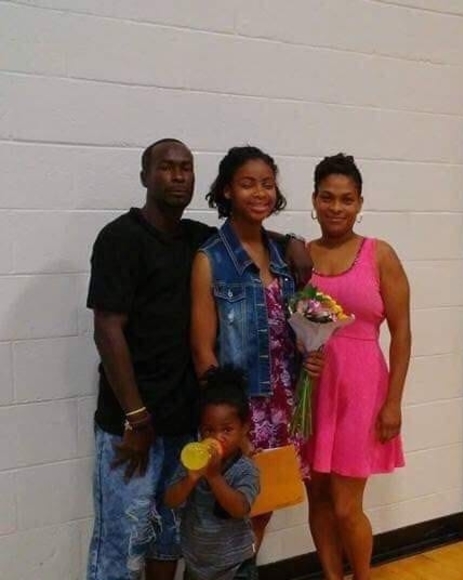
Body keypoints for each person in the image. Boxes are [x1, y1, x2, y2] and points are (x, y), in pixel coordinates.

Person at [86, 138, 311, 580]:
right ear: (145, 175)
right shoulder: (120, 238)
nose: (177, 176)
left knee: (169, 536)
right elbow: (106, 330)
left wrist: (294, 240)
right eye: (166, 167)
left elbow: (248, 234)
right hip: (132, 423)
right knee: (123, 540)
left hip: (183, 419)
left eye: (185, 168)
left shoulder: (195, 237)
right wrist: (136, 417)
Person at [190, 145, 323, 549]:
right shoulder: (210, 259)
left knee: (264, 505)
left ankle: (246, 570)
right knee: (232, 510)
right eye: (247, 184)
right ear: (227, 190)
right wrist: (232, 425)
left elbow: (293, 328)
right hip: (243, 408)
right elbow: (202, 351)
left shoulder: (283, 254)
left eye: (267, 184)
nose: (260, 193)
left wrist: (310, 356)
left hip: (284, 402)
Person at [304, 153, 411, 580]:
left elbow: (402, 334)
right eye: (327, 197)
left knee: (347, 506)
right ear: (314, 200)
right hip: (312, 388)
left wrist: (394, 403)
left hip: (362, 390)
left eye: (346, 199)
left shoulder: (379, 255)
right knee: (318, 499)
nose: (336, 207)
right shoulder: (299, 255)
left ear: (360, 203)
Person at [165, 365, 260, 580]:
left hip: (236, 567)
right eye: (209, 430)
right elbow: (170, 500)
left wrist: (214, 476)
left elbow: (239, 509)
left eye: (227, 430)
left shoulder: (245, 469)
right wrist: (190, 479)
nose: (217, 437)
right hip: (196, 567)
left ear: (244, 428)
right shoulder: (192, 462)